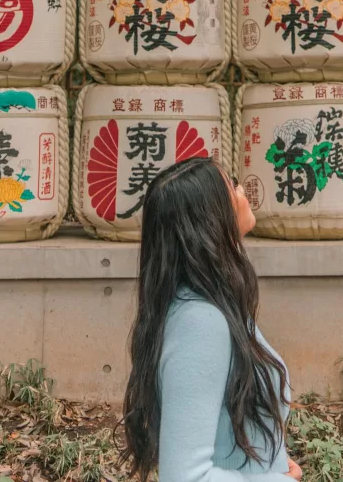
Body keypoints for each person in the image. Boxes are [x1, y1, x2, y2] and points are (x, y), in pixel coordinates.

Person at [121, 157, 303, 481]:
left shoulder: (212, 302)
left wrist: (272, 462)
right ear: (212, 215)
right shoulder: (200, 322)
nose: (243, 189)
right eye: (233, 185)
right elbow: (185, 477)